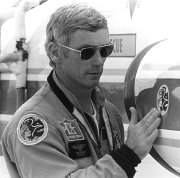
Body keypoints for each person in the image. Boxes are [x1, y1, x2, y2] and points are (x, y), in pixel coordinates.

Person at [1, 3, 161, 178]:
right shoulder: (34, 124)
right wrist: (129, 154)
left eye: (105, 50)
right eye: (87, 52)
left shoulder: (110, 113)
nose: (99, 61)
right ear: (55, 52)